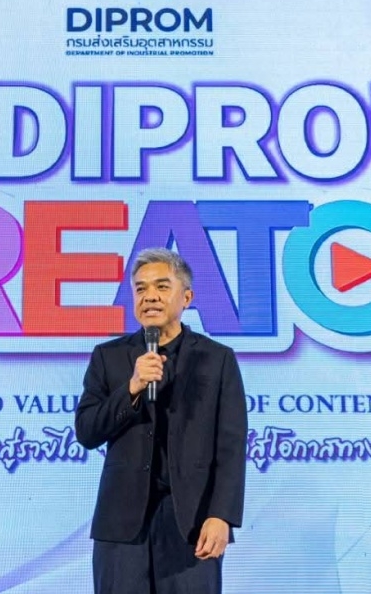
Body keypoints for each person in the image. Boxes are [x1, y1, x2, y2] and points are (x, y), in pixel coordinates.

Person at [76, 247, 248, 593]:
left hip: (192, 522)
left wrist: (222, 516)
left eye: (161, 286)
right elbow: (87, 431)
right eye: (140, 289)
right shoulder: (109, 357)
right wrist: (132, 388)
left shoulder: (217, 359)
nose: (150, 296)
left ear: (187, 297)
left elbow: (230, 446)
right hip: (121, 526)